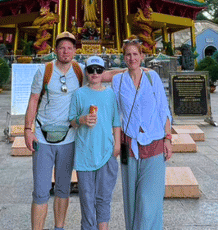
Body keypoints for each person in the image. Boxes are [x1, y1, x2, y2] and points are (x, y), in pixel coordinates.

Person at [24, 31, 84, 230]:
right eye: (62, 48)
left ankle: (60, 227)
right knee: (40, 190)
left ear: (75, 50)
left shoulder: (80, 71)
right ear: (55, 50)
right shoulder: (44, 71)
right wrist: (27, 129)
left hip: (69, 137)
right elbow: (33, 99)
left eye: (69, 48)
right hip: (42, 136)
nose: (65, 51)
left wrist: (135, 68)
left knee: (63, 188)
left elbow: (104, 75)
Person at [113, 37, 173, 230]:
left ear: (142, 56)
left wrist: (168, 138)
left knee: (149, 201)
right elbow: (114, 113)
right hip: (127, 145)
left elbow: (164, 109)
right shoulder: (118, 80)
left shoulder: (151, 77)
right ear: (124, 58)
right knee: (130, 199)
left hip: (154, 142)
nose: (132, 58)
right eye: (128, 55)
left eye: (135, 54)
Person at [69, 56, 121, 230]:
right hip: (85, 153)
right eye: (91, 70)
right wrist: (81, 119)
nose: (95, 73)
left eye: (99, 70)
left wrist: (117, 146)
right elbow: (71, 121)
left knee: (104, 197)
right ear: (86, 72)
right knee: (86, 197)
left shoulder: (110, 94)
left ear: (103, 72)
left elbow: (116, 122)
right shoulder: (79, 94)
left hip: (106, 152)